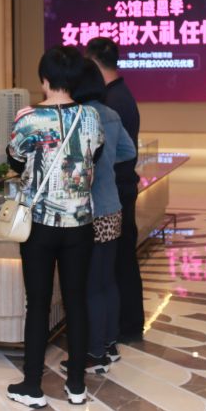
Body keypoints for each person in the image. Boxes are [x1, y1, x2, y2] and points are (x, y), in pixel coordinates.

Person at [6, 46, 104, 409]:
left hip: (40, 224)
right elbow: (95, 155)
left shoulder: (28, 118)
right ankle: (76, 385)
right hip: (80, 223)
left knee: (38, 304)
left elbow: (15, 160)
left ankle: (32, 385)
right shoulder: (91, 116)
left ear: (44, 80)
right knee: (76, 301)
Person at [61, 61, 135, 375]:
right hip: (113, 207)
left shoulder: (80, 116)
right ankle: (109, 344)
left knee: (90, 285)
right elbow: (129, 151)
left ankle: (93, 352)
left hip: (89, 211)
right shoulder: (112, 114)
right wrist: (106, 164)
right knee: (106, 281)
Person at [84, 37, 144, 345]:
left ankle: (122, 327)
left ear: (94, 63)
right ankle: (122, 327)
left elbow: (120, 153)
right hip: (121, 190)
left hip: (115, 192)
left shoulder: (109, 103)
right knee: (119, 264)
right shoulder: (120, 94)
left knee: (115, 268)